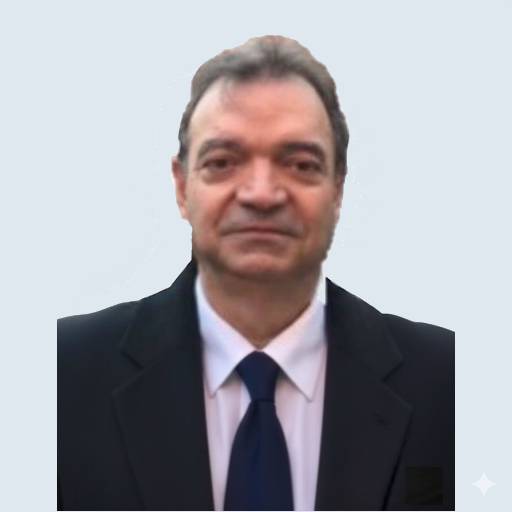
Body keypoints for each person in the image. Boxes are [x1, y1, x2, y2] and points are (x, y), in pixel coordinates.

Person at [58, 35, 454, 511]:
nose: (262, 193)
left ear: (337, 190)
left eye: (300, 164)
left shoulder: (451, 385)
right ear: (182, 188)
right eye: (223, 162)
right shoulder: (59, 379)